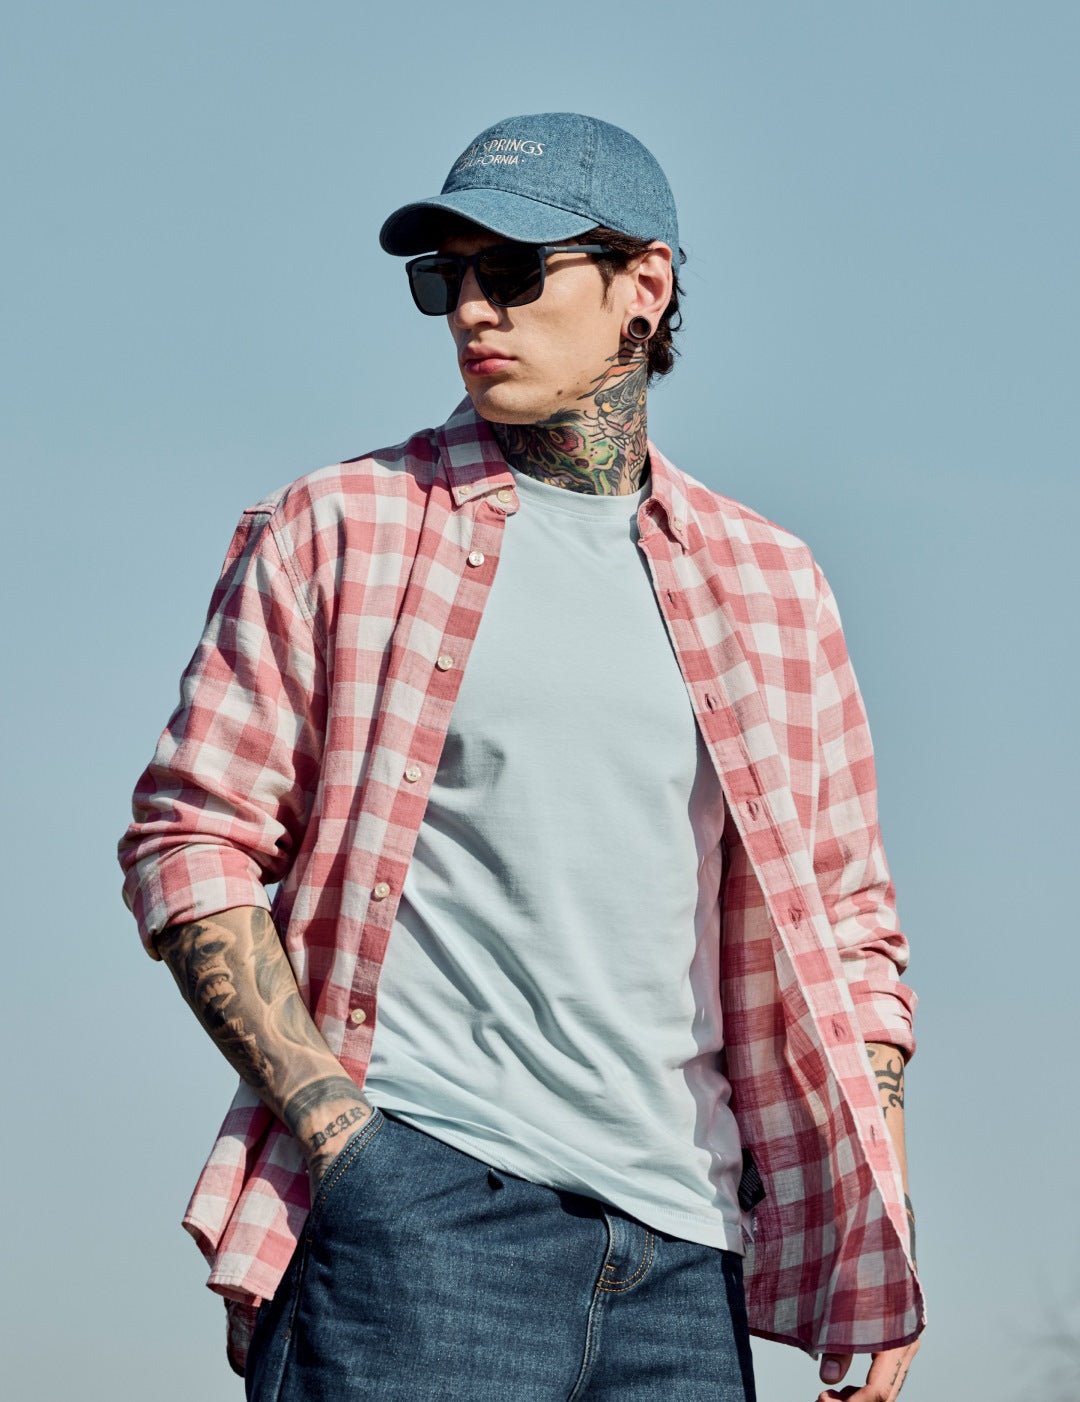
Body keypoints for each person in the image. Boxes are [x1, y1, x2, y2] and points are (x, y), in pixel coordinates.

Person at [119, 112, 924, 1401]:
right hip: (421, 1218)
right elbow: (189, 840)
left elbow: (849, 925)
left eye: (514, 270)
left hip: (685, 1257)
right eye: (445, 278)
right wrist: (341, 1136)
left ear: (643, 287)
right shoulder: (342, 527)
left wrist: (883, 1226)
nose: (471, 310)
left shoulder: (772, 582)